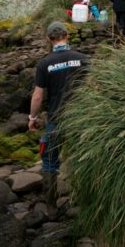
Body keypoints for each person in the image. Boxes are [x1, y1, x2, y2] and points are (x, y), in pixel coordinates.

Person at [28, 21, 89, 181]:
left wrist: (33, 118)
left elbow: (37, 96)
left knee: (49, 163)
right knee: (83, 158)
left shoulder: (45, 63)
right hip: (81, 117)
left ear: (49, 39)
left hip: (56, 118)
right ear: (66, 36)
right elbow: (96, 85)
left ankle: (51, 204)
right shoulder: (82, 59)